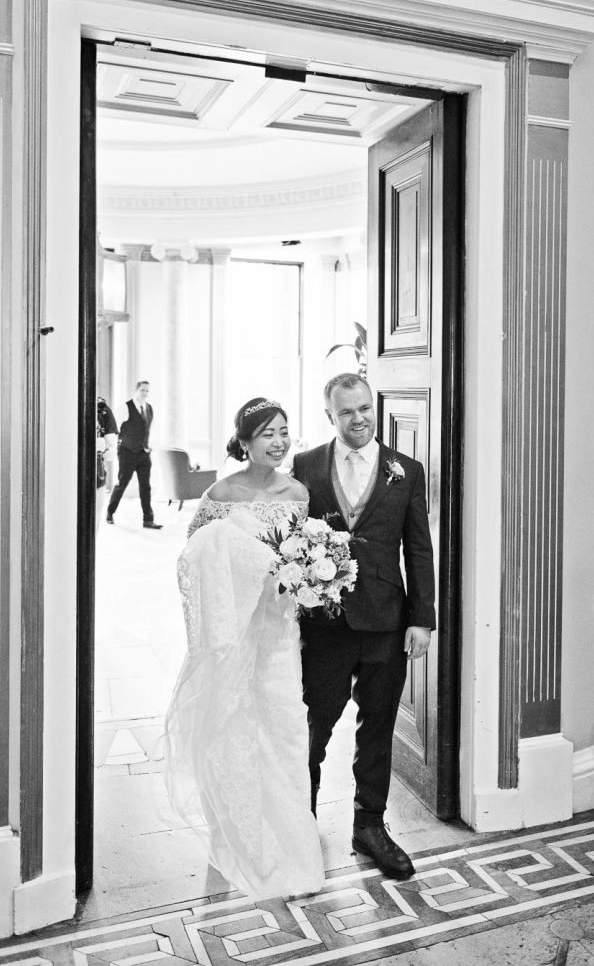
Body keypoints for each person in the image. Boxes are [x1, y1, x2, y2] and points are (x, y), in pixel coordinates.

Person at [163, 397, 325, 900]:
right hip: (237, 632)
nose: (279, 442)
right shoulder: (221, 492)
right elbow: (194, 556)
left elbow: (304, 550)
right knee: (236, 723)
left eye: (284, 432)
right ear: (246, 441)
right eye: (268, 434)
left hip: (279, 633)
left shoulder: (297, 491)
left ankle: (292, 840)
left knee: (285, 728)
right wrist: (244, 570)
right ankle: (239, 829)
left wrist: (307, 579)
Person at [292, 372, 435, 881]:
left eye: (365, 408)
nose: (360, 419)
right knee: (314, 724)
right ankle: (298, 822)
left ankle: (369, 825)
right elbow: (288, 541)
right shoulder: (306, 466)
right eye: (347, 412)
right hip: (325, 624)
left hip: (385, 622)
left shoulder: (407, 470)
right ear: (329, 416)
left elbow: (419, 548)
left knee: (377, 727)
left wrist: (422, 619)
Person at [106, 380, 163, 529]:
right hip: (127, 452)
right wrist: (118, 446)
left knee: (146, 486)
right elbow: (115, 429)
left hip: (144, 453)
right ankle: (109, 513)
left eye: (147, 391)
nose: (145, 393)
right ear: (136, 390)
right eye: (142, 390)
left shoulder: (149, 408)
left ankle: (148, 520)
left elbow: (148, 430)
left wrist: (150, 446)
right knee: (122, 483)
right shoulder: (125, 407)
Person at [96, 396, 118, 527]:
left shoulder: (102, 409)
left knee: (95, 516)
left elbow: (111, 444)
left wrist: (101, 443)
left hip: (97, 472)